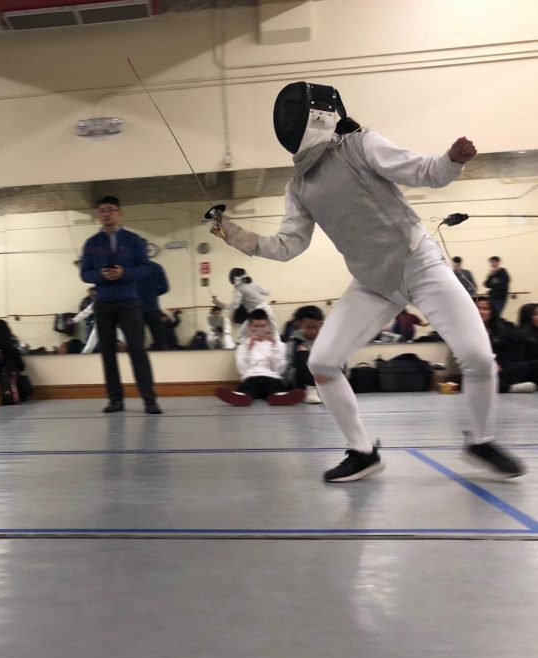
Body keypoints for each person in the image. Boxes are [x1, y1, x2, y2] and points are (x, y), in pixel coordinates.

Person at [210, 80, 524, 481]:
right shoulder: (299, 185)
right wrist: (232, 233)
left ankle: (481, 440)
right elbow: (288, 246)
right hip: (373, 283)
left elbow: (421, 171)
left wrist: (451, 161)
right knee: (322, 362)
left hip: (421, 266)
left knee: (479, 358)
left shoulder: (360, 145)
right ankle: (362, 452)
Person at [79, 196, 161, 414]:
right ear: (98, 214)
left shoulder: (133, 240)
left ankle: (149, 400)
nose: (107, 213)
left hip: (129, 301)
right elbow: (84, 274)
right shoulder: (91, 243)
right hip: (103, 302)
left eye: (111, 209)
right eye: (102, 210)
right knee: (107, 352)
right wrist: (102, 275)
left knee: (137, 349)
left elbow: (146, 268)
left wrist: (124, 273)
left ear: (119, 213)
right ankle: (115, 400)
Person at [214, 309, 305, 407]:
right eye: (255, 327)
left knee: (275, 388)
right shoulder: (243, 346)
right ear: (249, 327)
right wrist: (249, 348)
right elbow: (242, 370)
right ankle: (241, 396)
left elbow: (280, 370)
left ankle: (279, 396)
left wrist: (274, 345)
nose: (259, 329)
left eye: (263, 326)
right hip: (251, 377)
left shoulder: (280, 345)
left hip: (272, 378)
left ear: (268, 326)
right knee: (247, 388)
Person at [476, 298, 538, 394]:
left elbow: (511, 352)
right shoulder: (467, 332)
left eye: (485, 309)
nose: (481, 312)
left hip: (506, 365)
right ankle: (509, 388)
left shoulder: (502, 329)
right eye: (478, 308)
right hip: (483, 366)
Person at [284, 305, 324, 403]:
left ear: (321, 324)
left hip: (324, 377)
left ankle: (320, 391)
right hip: (301, 381)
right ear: (301, 325)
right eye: (308, 327)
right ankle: (311, 390)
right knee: (302, 351)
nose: (312, 331)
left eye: (315, 327)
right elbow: (289, 366)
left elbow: (341, 363)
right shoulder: (293, 341)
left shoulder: (328, 339)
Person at [137, 254, 170, 350]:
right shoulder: (156, 267)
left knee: (137, 340)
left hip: (135, 308)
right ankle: (165, 361)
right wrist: (152, 293)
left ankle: (140, 363)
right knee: (160, 338)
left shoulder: (131, 268)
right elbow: (165, 288)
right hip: (152, 307)